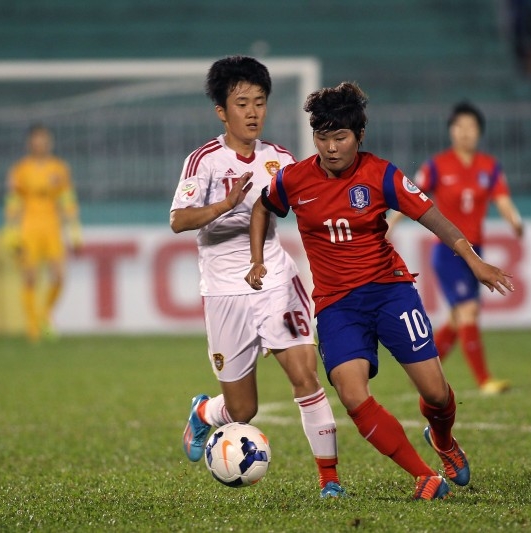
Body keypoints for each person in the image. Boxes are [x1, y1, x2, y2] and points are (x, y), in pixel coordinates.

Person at [246, 82, 514, 499]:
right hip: (337, 305)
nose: (331, 147)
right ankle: (423, 475)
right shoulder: (295, 179)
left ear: (359, 136)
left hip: (390, 292)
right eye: (322, 137)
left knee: (437, 394)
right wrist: (257, 258)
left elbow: (433, 217)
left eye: (341, 137)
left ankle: (443, 440)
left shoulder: (381, 174)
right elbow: (263, 206)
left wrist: (473, 260)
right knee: (353, 395)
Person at [169, 56, 344, 498]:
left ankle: (330, 481)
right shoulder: (204, 161)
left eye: (259, 102)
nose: (252, 112)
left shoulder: (281, 159)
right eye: (241, 102)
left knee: (305, 375)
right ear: (222, 112)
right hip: (224, 292)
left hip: (276, 280)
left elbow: (311, 208)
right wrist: (222, 207)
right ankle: (206, 413)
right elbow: (178, 220)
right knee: (243, 409)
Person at [390, 102, 523, 394]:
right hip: (447, 251)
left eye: (471, 127)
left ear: (479, 132)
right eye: (459, 127)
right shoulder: (438, 165)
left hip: (476, 253)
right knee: (468, 311)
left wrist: (515, 221)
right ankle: (484, 380)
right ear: (451, 131)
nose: (465, 133)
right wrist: (391, 224)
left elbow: (503, 199)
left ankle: (421, 372)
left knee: (456, 318)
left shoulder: (489, 166)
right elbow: (411, 194)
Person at [2, 124, 82, 343]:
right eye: (37, 140)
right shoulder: (20, 170)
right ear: (30, 143)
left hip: (52, 226)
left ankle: (44, 314)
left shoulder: (59, 169)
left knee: (59, 276)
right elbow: (14, 199)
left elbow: (67, 199)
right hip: (29, 226)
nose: (40, 144)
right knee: (30, 277)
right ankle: (32, 328)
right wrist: (10, 229)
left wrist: (74, 228)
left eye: (44, 140)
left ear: (49, 143)